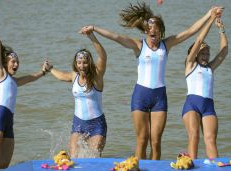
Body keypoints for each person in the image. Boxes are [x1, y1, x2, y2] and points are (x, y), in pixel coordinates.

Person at [80, 2, 223, 160]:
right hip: (140, 95)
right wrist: (94, 28)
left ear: (160, 32)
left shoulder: (166, 45)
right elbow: (116, 37)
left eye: (157, 33)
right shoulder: (138, 45)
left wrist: (209, 15)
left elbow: (190, 31)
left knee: (156, 142)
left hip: (159, 98)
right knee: (142, 139)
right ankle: (139, 170)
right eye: (151, 33)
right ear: (146, 31)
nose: (154, 36)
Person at [0, 4, 47, 170]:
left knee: (3, 163)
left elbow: (30, 78)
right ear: (4, 62)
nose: (16, 64)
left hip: (9, 119)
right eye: (12, 61)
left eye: (17, 61)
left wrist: (43, 72)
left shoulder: (13, 82)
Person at [44, 28, 107, 158]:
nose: (82, 66)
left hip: (97, 125)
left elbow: (103, 56)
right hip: (78, 123)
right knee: (74, 158)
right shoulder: (74, 76)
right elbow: (62, 76)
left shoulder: (97, 77)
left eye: (85, 63)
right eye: (79, 63)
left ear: (89, 64)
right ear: (76, 64)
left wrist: (92, 37)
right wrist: (50, 69)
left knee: (93, 159)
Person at [182, 8, 228, 159]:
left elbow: (224, 51)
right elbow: (199, 40)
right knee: (194, 136)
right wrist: (210, 19)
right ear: (194, 54)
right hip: (192, 105)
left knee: (210, 140)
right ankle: (191, 166)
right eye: (203, 53)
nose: (206, 55)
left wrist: (221, 30)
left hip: (208, 106)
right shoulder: (190, 65)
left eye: (208, 53)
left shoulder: (210, 68)